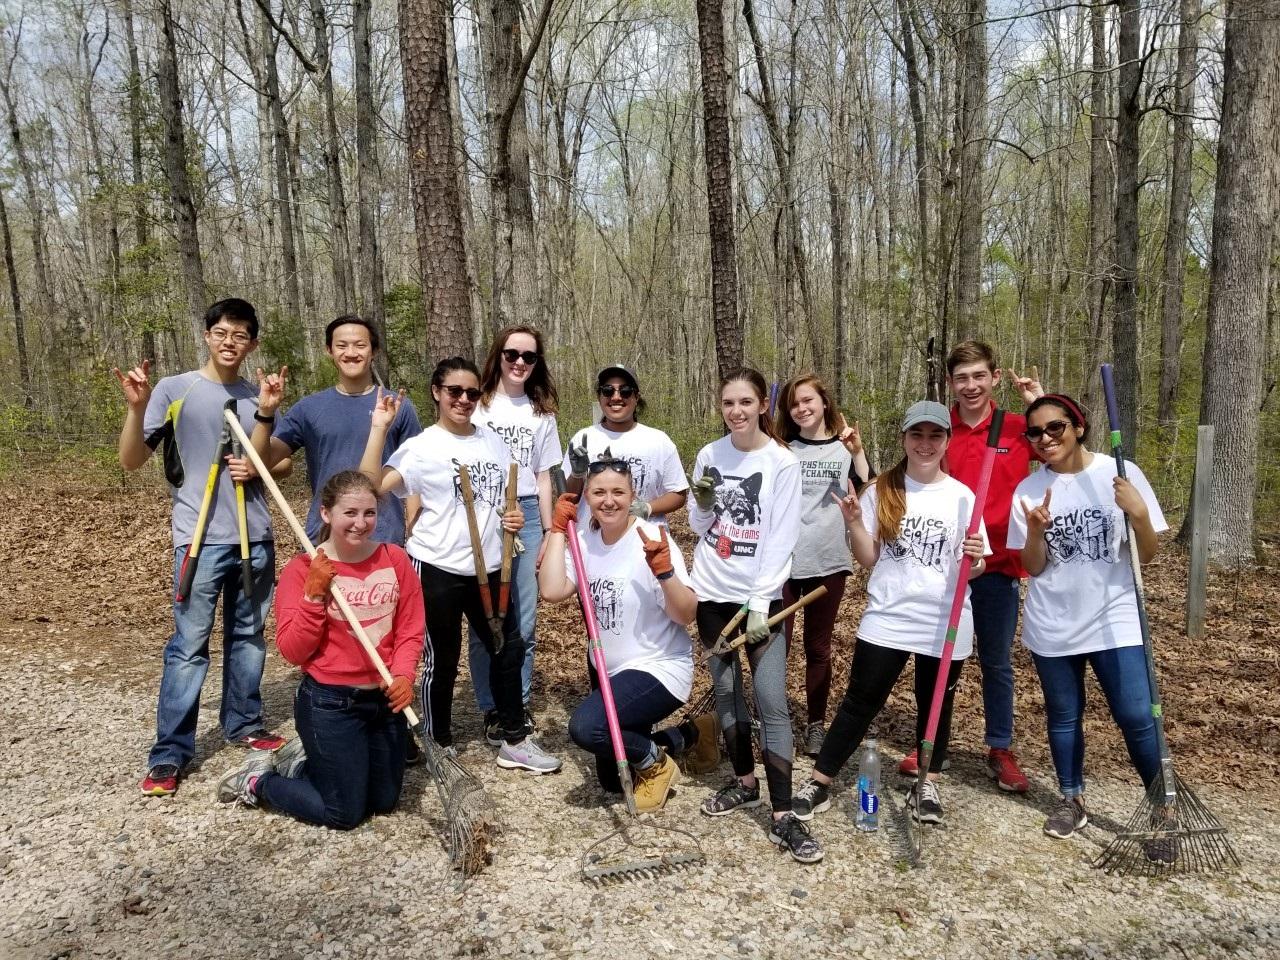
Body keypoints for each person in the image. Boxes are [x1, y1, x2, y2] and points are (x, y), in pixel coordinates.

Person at [114, 298, 288, 797]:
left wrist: (262, 440)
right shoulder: (174, 389)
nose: (230, 341)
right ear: (207, 335)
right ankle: (170, 752)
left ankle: (244, 723)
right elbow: (130, 460)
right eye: (221, 332)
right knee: (188, 648)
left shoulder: (263, 396)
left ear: (253, 342)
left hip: (254, 537)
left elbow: (281, 465)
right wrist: (134, 407)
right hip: (198, 540)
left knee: (250, 637)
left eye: (241, 334)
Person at [359, 357, 561, 773]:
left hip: (490, 568)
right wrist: (379, 428)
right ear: (437, 392)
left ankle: (514, 739)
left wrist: (513, 518)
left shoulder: (491, 441)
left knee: (508, 650)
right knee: (443, 658)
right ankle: (438, 740)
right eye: (455, 391)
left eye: (472, 393)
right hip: (437, 567)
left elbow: (507, 501)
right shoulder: (420, 447)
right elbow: (370, 489)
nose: (464, 399)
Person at [792, 401, 988, 828]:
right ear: (903, 439)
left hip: (944, 620)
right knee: (860, 701)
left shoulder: (962, 497)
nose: (925, 444)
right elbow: (867, 558)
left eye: (935, 435)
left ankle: (928, 782)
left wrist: (975, 561)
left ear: (946, 441)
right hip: (889, 615)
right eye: (916, 435)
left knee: (935, 704)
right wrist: (855, 523)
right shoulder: (882, 489)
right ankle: (820, 780)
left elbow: (976, 564)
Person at [215, 471, 423, 827]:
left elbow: (410, 630)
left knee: (385, 801)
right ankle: (260, 781)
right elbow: (293, 651)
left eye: (369, 513)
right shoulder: (303, 570)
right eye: (350, 513)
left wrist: (404, 673)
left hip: (384, 702)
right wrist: (313, 597)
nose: (361, 523)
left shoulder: (395, 559)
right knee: (344, 813)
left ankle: (307, 762)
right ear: (326, 513)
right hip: (330, 703)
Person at [1007, 394, 1167, 847]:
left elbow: (1145, 557)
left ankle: (1162, 804)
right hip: (1053, 621)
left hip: (1114, 617)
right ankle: (1071, 798)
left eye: (1054, 428)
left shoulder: (1120, 473)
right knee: (1063, 715)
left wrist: (1137, 514)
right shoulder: (1029, 490)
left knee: (1137, 714)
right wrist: (1036, 532)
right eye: (1034, 433)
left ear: (1078, 426)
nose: (1045, 439)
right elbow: (1033, 567)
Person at [687, 368, 822, 864]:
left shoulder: (781, 462)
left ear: (763, 405)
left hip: (760, 600)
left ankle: (784, 815)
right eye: (728, 403)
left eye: (746, 402)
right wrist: (701, 502)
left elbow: (781, 537)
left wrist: (762, 604)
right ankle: (744, 781)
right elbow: (701, 525)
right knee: (726, 693)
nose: (737, 412)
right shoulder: (709, 454)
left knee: (771, 701)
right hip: (711, 592)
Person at [898, 340, 1042, 793]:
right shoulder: (940, 432)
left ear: (995, 377)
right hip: (946, 567)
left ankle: (1000, 747)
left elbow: (1066, 449)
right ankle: (931, 742)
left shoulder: (1018, 428)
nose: (971, 385)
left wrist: (1038, 404)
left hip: (999, 566)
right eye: (962, 377)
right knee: (940, 655)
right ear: (950, 383)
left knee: (996, 661)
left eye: (979, 375)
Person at [539, 459, 708, 811]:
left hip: (658, 668)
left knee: (587, 728)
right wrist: (557, 530)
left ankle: (657, 765)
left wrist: (664, 572)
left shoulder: (650, 538)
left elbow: (687, 614)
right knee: (612, 779)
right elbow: (553, 590)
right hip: (608, 671)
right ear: (587, 496)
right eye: (599, 492)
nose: (609, 500)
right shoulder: (583, 540)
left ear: (633, 495)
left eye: (618, 492)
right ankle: (691, 734)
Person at [469, 326, 562, 741]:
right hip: (483, 508)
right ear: (498, 355)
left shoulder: (542, 413)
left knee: (523, 618)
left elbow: (544, 476)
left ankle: (517, 704)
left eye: (529, 357)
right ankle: (490, 706)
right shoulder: (479, 405)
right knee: (485, 614)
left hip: (524, 509)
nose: (520, 363)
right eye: (512, 354)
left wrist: (546, 531)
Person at [256, 315, 421, 546]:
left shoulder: (397, 407)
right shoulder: (308, 408)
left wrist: (414, 533)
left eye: (360, 345)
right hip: (325, 539)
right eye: (341, 346)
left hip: (385, 538)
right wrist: (265, 412)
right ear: (329, 351)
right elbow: (262, 461)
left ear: (374, 351)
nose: (351, 353)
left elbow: (414, 476)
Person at [775, 374, 874, 757]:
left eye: (807, 401)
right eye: (794, 404)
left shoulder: (844, 448)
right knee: (774, 645)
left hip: (828, 560)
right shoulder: (782, 449)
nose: (801, 408)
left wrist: (859, 451)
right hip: (784, 562)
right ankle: (775, 718)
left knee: (818, 648)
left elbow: (868, 491)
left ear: (824, 403)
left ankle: (816, 724)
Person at [562, 365, 688, 525]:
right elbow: (566, 498)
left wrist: (647, 508)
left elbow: (678, 494)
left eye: (625, 391)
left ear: (636, 397)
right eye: (607, 390)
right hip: (592, 541)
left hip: (645, 540)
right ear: (600, 397)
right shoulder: (583, 438)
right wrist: (577, 474)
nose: (616, 397)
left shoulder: (659, 440)